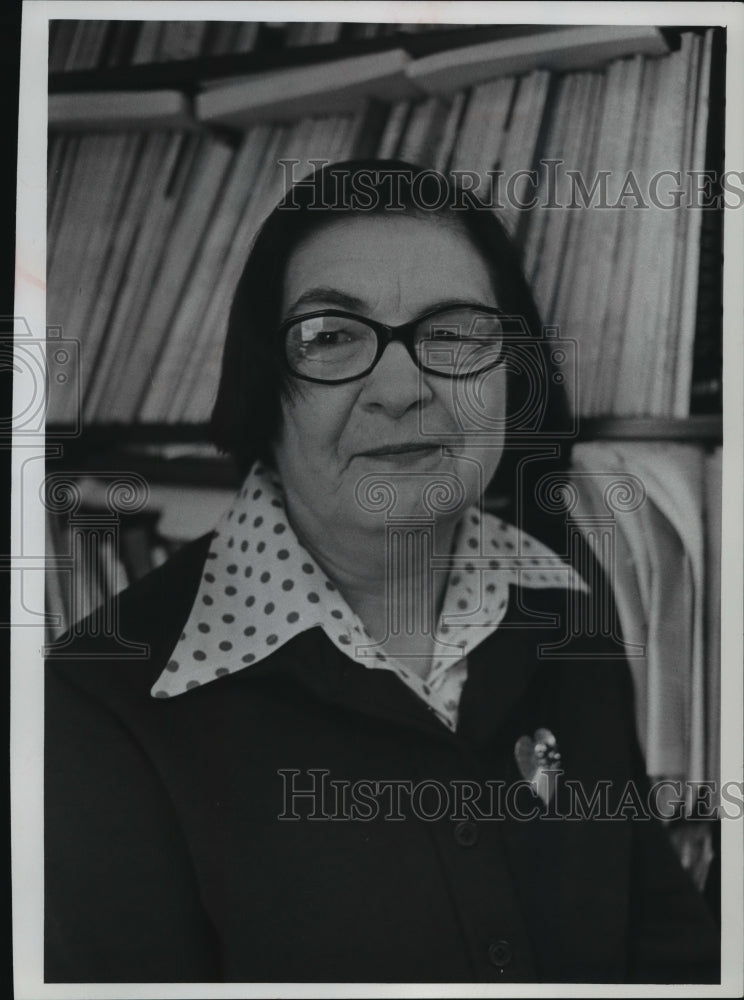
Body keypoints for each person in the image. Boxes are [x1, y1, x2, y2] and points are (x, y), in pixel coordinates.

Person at [45, 161, 719, 984]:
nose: (400, 388)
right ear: (266, 383)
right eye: (330, 337)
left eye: (454, 332)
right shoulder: (101, 702)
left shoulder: (567, 602)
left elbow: (662, 944)